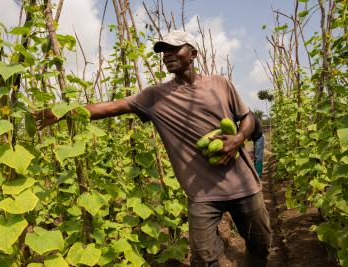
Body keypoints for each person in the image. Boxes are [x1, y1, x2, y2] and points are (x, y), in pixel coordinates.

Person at [33, 30, 271, 267]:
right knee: (203, 259)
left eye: (174, 49)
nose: (167, 55)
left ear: (193, 53)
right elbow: (109, 108)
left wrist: (238, 139)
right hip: (202, 195)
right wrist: (61, 112)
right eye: (163, 51)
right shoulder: (155, 97)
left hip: (243, 186)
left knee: (260, 245)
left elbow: (247, 116)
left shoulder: (220, 83)